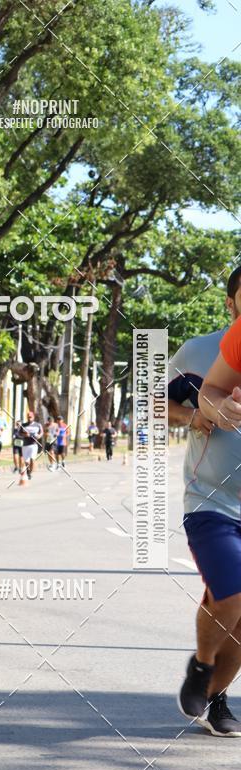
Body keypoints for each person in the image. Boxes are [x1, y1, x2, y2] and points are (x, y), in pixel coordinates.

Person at [170, 265, 241, 737]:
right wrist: (194, 413)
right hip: (211, 499)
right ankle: (200, 667)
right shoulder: (200, 350)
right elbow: (154, 404)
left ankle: (216, 696)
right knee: (233, 590)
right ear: (231, 304)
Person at [20, 409, 43, 479]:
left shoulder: (38, 425)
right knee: (26, 461)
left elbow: (41, 432)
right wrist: (24, 435)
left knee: (32, 459)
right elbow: (20, 433)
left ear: (33, 417)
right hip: (25, 445)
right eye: (28, 417)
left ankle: (30, 473)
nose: (29, 418)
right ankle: (28, 471)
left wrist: (39, 436)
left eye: (31, 417)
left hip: (34, 445)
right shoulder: (23, 425)